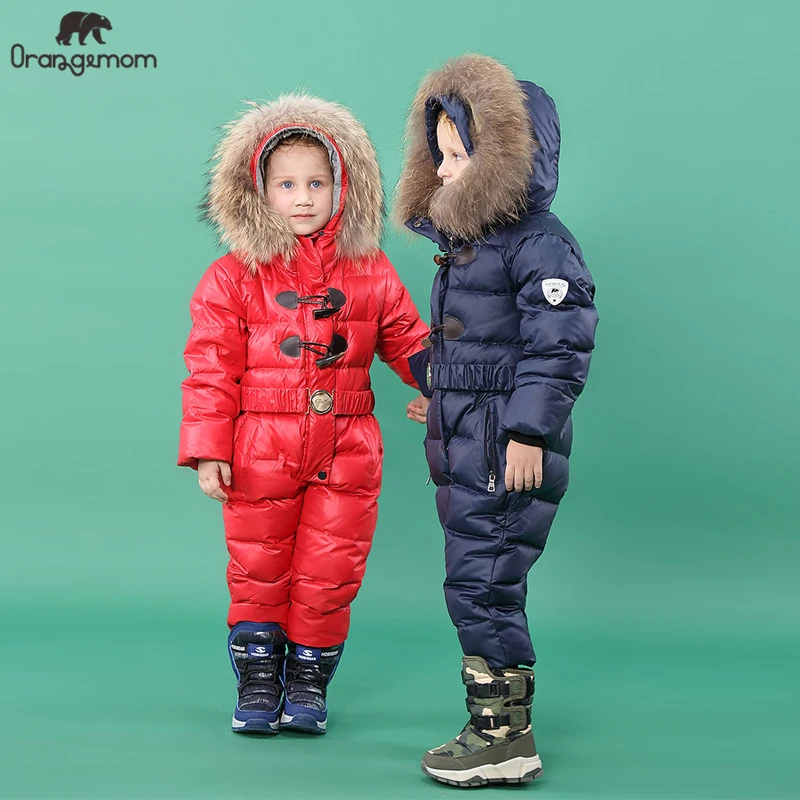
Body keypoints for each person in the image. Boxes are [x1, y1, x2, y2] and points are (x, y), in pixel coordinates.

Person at [178, 92, 430, 736]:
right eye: (285, 184)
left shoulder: (370, 270)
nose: (303, 198)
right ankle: (260, 682)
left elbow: (408, 339)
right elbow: (211, 367)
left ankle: (309, 684)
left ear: (343, 188)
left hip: (349, 445)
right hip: (260, 445)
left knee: (330, 571)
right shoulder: (233, 276)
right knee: (258, 566)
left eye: (317, 183)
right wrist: (208, 448)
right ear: (257, 192)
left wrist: (444, 392)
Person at [397, 55, 599, 785]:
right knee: (474, 579)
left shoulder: (541, 243)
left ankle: (504, 737)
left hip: (501, 445)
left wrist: (528, 432)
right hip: (470, 436)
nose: (445, 170)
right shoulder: (471, 246)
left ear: (510, 159)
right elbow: (480, 344)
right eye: (440, 155)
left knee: (483, 581)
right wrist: (440, 388)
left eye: (461, 156)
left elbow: (559, 345)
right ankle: (496, 725)